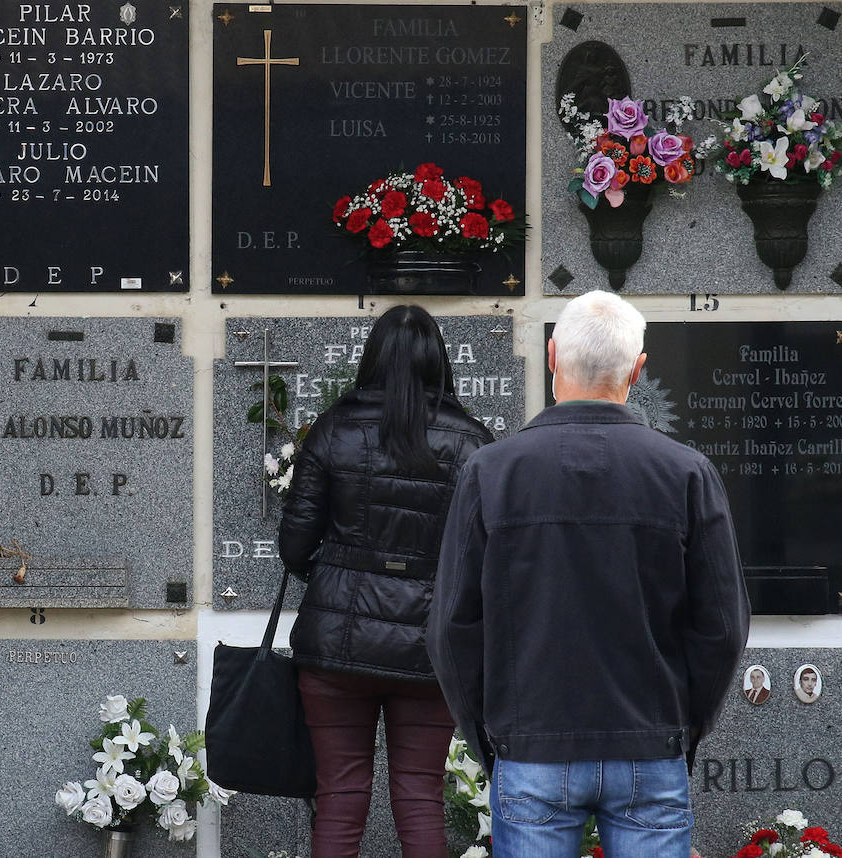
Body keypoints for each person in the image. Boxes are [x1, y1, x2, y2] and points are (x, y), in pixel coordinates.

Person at [428, 290, 750, 858]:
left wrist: (492, 735)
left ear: (552, 356)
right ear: (638, 368)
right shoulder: (686, 473)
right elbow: (722, 626)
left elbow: (453, 626)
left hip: (532, 742)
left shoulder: (491, 472)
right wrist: (679, 726)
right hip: (648, 742)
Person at [279, 305, 494, 858]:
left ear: (371, 358)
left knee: (340, 796)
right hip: (429, 648)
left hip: (335, 646)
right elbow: (486, 555)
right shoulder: (471, 441)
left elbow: (295, 545)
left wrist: (337, 577)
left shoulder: (334, 430)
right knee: (421, 798)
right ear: (438, 362)